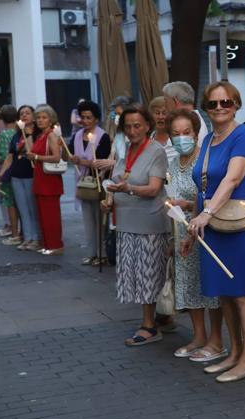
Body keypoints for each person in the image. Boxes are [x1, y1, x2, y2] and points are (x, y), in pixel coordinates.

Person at [186, 81, 245, 383]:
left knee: (242, 293)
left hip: (237, 222)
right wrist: (193, 225)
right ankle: (233, 353)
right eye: (213, 103)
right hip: (212, 222)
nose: (219, 108)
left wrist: (205, 213)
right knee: (226, 296)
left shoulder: (243, 135)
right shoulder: (208, 140)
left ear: (236, 105)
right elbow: (201, 188)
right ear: (205, 107)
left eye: (226, 102)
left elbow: (232, 180)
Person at [103, 104, 171, 346]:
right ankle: (162, 318)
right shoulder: (126, 150)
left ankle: (149, 326)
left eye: (137, 125)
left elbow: (154, 188)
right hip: (127, 221)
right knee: (139, 274)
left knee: (148, 275)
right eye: (128, 126)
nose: (132, 130)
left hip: (149, 222)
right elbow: (120, 179)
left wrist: (127, 189)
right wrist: (110, 199)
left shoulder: (156, 151)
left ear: (147, 126)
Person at [166, 108, 224, 360]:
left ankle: (216, 340)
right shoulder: (172, 163)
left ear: (196, 132)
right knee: (188, 284)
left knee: (209, 287)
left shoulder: (205, 160)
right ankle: (198, 336)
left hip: (205, 231)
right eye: (176, 134)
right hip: (181, 233)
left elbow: (212, 199)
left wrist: (188, 205)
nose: (181, 138)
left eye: (186, 132)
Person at [69, 100, 111, 266]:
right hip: (83, 182)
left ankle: (102, 254)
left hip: (98, 182)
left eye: (89, 117)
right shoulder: (77, 135)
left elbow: (102, 160)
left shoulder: (103, 136)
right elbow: (70, 154)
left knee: (100, 221)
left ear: (96, 119)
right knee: (87, 220)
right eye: (83, 117)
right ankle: (91, 253)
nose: (85, 121)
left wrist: (83, 162)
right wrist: (71, 158)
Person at [0, 105, 41, 250]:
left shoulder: (36, 134)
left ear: (33, 116)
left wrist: (27, 134)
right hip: (16, 175)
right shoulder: (16, 135)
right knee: (22, 208)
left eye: (28, 113)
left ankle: (36, 238)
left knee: (32, 207)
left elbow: (31, 149)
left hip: (31, 175)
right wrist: (0, 176)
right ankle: (27, 237)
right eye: (22, 114)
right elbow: (9, 158)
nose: (24, 116)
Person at [25, 105, 64, 256]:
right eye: (38, 117)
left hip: (50, 179)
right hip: (40, 178)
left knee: (51, 215)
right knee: (42, 214)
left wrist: (36, 157)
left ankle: (56, 245)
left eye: (44, 117)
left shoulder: (51, 135)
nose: (40, 120)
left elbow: (56, 157)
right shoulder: (40, 135)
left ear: (51, 120)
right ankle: (47, 244)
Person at [0, 105, 20, 246]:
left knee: (10, 203)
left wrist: (0, 174)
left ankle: (14, 232)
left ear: (2, 119)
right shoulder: (18, 132)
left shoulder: (4, 135)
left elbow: (5, 156)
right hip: (19, 171)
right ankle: (20, 232)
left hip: (7, 172)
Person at [163, 81, 209, 148]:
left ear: (175, 101)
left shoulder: (192, 124)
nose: (165, 106)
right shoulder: (194, 121)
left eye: (166, 101)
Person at [149, 96, 173, 164]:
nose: (160, 117)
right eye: (157, 113)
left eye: (164, 113)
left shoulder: (177, 141)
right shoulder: (146, 141)